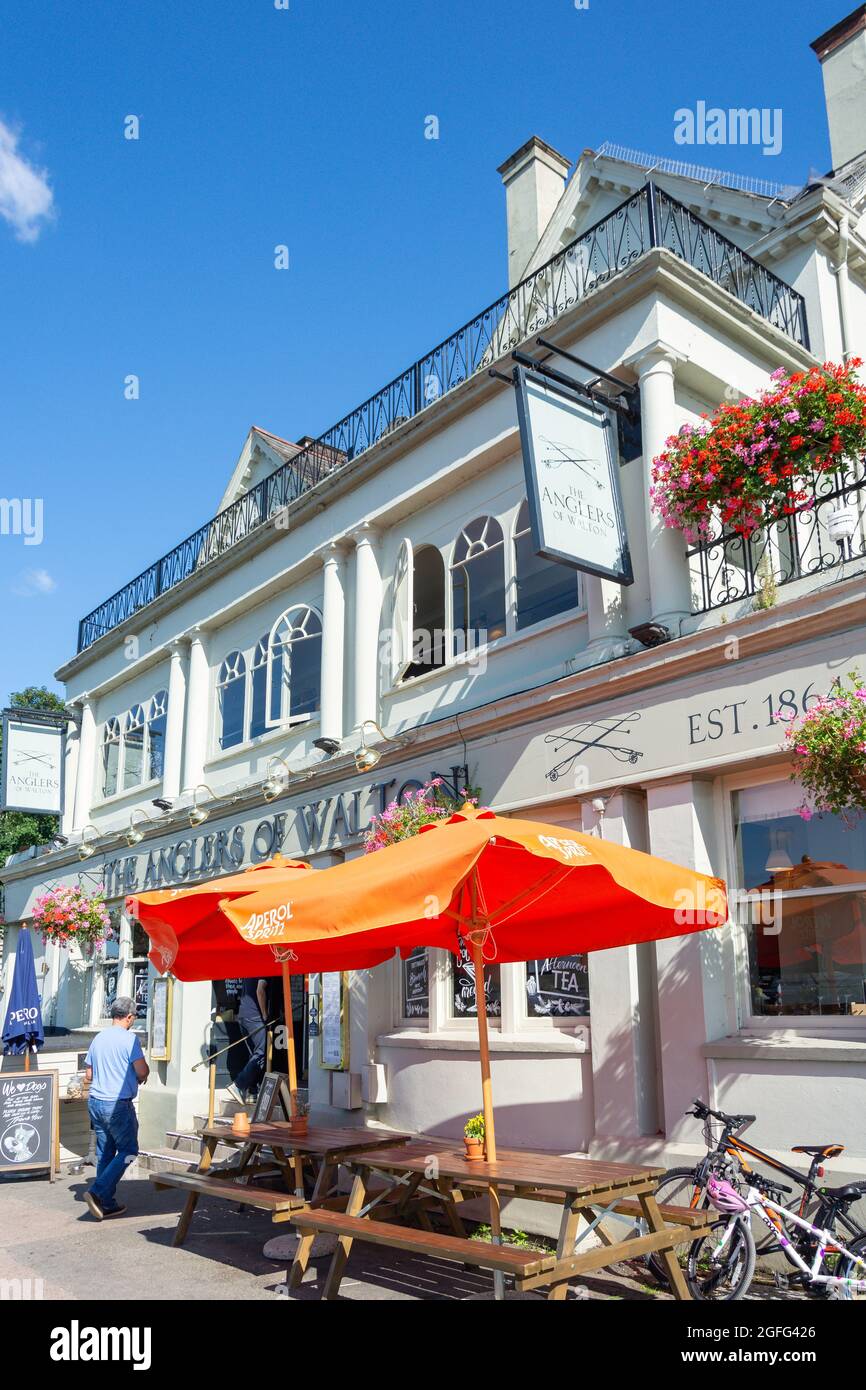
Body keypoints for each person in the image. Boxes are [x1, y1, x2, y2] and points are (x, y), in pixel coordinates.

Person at [82, 996, 149, 1220]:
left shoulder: (98, 1038)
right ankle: (97, 1191)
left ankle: (107, 1203)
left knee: (105, 1152)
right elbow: (141, 1071)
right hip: (117, 1104)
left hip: (96, 1101)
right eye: (134, 1017)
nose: (134, 1020)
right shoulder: (129, 1040)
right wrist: (140, 1077)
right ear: (129, 1016)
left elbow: (88, 1075)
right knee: (129, 1150)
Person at [228, 977, 268, 1103]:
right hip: (255, 1017)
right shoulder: (266, 966)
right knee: (260, 1054)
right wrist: (265, 1014)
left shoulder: (253, 965)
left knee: (254, 1055)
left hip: (243, 1016)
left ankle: (253, 1092)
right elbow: (260, 991)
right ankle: (239, 1085)